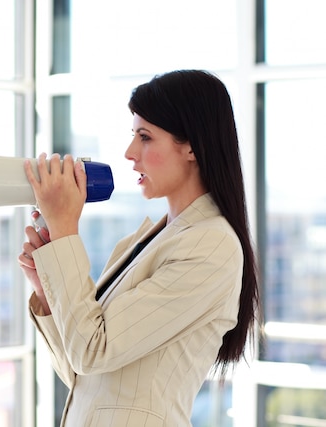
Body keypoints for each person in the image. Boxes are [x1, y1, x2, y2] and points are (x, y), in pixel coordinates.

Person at [18, 69, 260, 427]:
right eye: (134, 135)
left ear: (192, 145)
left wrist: (66, 229)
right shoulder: (143, 242)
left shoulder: (211, 246)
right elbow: (83, 375)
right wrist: (48, 291)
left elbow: (91, 352)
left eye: (145, 137)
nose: (130, 153)